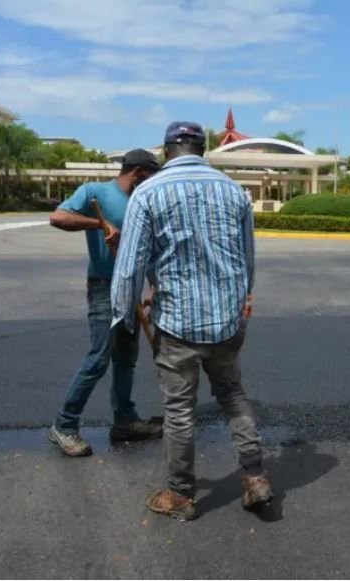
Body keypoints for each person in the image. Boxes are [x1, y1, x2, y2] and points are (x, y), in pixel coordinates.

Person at [111, 121, 270, 521]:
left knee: (179, 410)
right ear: (204, 150)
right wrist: (239, 308)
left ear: (167, 152)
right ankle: (255, 476)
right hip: (226, 323)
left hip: (177, 325)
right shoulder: (233, 190)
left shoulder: (147, 192)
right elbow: (247, 261)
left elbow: (129, 269)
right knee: (233, 395)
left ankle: (181, 495)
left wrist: (123, 318)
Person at [47, 149, 162, 457]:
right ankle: (64, 425)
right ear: (139, 173)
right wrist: (100, 225)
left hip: (132, 288)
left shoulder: (143, 202)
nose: (152, 183)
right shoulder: (94, 192)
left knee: (126, 359)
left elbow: (147, 249)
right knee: (99, 358)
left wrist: (152, 287)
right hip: (104, 287)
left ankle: (124, 420)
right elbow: (58, 217)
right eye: (151, 177)